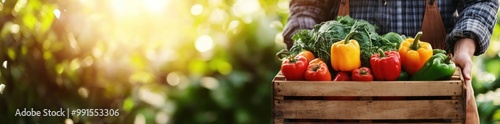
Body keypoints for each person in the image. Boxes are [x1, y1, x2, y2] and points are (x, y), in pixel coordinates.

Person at [283, 0, 499, 123]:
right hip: (343, 99)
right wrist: (305, 53)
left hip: (434, 101)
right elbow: (307, 6)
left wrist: (464, 47)